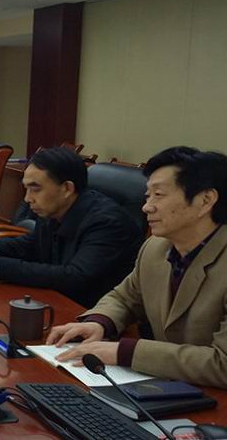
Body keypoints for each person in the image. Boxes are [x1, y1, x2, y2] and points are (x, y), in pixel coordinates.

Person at [47, 147, 227, 389]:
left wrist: (126, 352)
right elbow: (125, 298)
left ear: (205, 200)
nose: (146, 207)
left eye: (158, 195)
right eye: (147, 196)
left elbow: (223, 364)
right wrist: (100, 322)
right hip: (172, 388)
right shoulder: (155, 247)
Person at [0, 147, 142, 308]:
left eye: (35, 189)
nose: (27, 198)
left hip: (87, 313)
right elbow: (30, 245)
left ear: (67, 188)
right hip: (53, 299)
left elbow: (75, 277)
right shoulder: (54, 209)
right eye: (26, 189)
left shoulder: (108, 222)